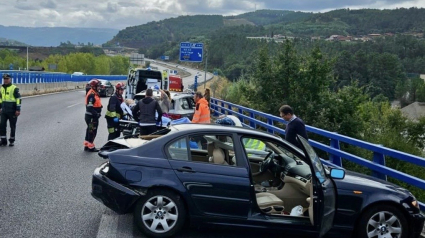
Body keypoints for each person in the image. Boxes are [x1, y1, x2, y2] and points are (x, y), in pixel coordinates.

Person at [0, 74, 21, 146]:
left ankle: (11, 140)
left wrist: (18, 109)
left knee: (12, 126)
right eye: (4, 79)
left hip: (12, 111)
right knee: (2, 125)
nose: (5, 80)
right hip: (4, 111)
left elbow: (18, 99)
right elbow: (0, 99)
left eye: (7, 79)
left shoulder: (14, 88)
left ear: (10, 79)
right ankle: (3, 141)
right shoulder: (1, 88)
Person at [84, 79, 102, 152]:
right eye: (98, 86)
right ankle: (91, 147)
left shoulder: (94, 93)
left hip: (91, 116)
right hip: (92, 117)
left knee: (89, 130)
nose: (99, 87)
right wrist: (96, 114)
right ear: (94, 87)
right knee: (92, 131)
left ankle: (87, 145)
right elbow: (89, 107)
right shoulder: (92, 94)